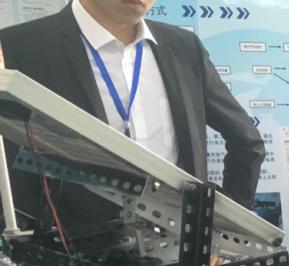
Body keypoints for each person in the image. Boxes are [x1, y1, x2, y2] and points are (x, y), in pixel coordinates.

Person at [0, 0, 265, 230]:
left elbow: (246, 141)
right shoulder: (20, 46)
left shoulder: (183, 47)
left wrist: (223, 229)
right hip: (67, 252)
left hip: (181, 249)